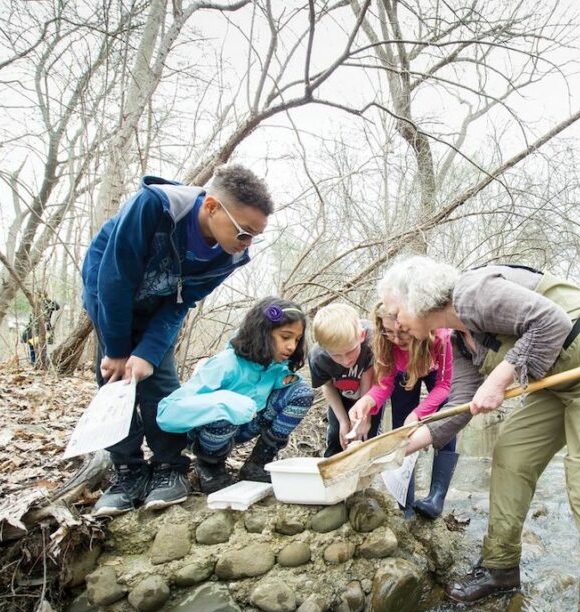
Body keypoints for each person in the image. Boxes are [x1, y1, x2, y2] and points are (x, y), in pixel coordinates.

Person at [379, 257, 580, 612]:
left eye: (395, 310)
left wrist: (499, 378)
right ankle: (500, 568)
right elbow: (458, 406)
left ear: (417, 297)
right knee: (511, 453)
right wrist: (399, 445)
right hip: (558, 382)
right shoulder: (458, 339)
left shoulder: (472, 292)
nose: (394, 321)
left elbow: (552, 321)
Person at [83, 164, 273, 515]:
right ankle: (126, 470)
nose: (246, 244)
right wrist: (118, 349)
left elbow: (182, 302)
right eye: (244, 232)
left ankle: (169, 467)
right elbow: (114, 280)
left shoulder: (230, 256)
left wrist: (148, 352)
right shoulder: (156, 207)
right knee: (113, 380)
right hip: (109, 297)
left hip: (161, 307)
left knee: (160, 379)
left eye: (254, 236)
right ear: (212, 206)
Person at [157, 298, 314, 493]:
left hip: (245, 425)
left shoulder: (276, 367)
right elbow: (167, 413)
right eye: (285, 337)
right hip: (208, 432)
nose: (292, 346)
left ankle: (257, 463)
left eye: (297, 340)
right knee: (229, 409)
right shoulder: (225, 364)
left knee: (302, 392)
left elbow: (294, 393)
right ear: (263, 333)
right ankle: (209, 467)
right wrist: (225, 401)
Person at [348, 301, 457, 518]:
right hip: (402, 373)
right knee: (402, 427)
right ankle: (404, 503)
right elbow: (384, 383)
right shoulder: (385, 342)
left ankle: (436, 496)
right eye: (389, 332)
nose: (397, 339)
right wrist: (367, 401)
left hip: (434, 368)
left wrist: (419, 413)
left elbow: (444, 386)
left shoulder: (442, 337)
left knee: (446, 418)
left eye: (402, 332)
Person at [308, 303, 383, 457]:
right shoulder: (318, 357)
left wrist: (365, 418)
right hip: (341, 397)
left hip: (369, 395)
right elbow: (328, 387)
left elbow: (368, 377)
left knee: (367, 435)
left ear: (361, 336)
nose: (346, 360)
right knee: (337, 435)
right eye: (336, 355)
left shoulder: (372, 340)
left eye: (350, 351)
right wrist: (343, 421)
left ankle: (364, 477)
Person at [21, 296, 61, 364]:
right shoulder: (34, 304)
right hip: (33, 329)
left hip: (43, 328)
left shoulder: (47, 303)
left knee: (42, 346)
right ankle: (34, 363)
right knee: (33, 346)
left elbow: (57, 307)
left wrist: (46, 299)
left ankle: (39, 362)